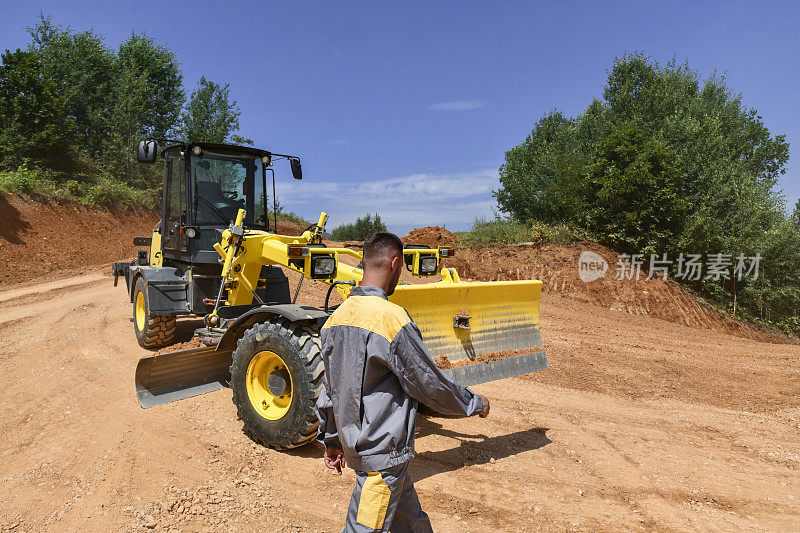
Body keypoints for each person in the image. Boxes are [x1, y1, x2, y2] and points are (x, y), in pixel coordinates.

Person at [315, 231, 490, 532]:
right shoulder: (392, 319)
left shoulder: (334, 319)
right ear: (395, 264)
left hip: (376, 453)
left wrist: (332, 439)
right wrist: (474, 403)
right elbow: (429, 384)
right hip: (381, 459)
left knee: (411, 523)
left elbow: (329, 389)